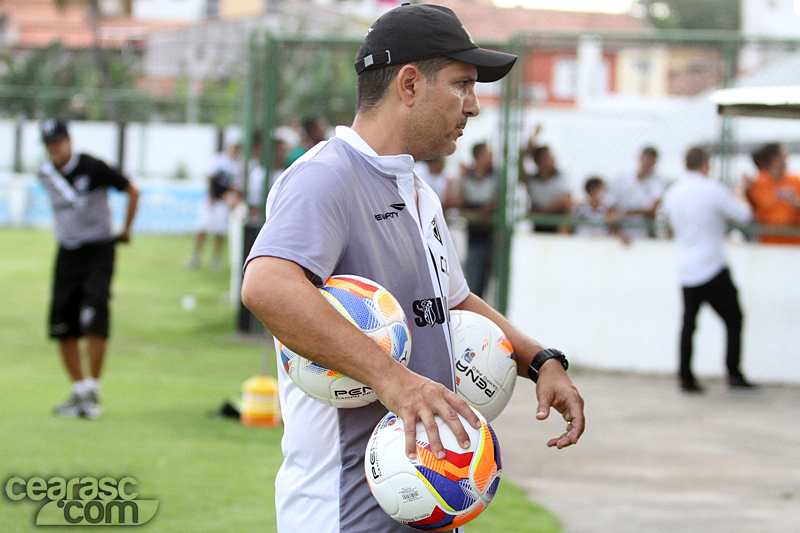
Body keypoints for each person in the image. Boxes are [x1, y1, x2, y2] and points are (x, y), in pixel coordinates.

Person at [240, 4, 585, 532]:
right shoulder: (325, 176)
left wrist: (540, 361)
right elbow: (267, 286)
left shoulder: (419, 191)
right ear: (408, 84)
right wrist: (394, 381)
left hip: (422, 502)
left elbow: (453, 302)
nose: (473, 106)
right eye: (462, 84)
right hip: (343, 512)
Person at [38, 118, 139, 418]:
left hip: (98, 250)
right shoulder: (45, 173)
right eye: (49, 144)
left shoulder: (93, 167)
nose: (55, 149)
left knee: (95, 313)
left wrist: (126, 230)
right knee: (62, 321)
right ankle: (79, 389)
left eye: (58, 142)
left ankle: (93, 388)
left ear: (69, 140)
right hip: (67, 252)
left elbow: (132, 190)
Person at [663, 146, 754, 393]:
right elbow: (744, 215)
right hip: (713, 265)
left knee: (689, 324)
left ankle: (685, 376)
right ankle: (733, 373)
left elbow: (666, 224)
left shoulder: (673, 192)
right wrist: (740, 190)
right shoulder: (713, 189)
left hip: (686, 268)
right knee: (734, 318)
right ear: (706, 164)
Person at [188, 140, 243, 269]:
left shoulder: (239, 165)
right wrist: (211, 196)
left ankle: (216, 257)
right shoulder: (219, 160)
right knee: (202, 227)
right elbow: (210, 177)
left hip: (225, 202)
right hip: (212, 200)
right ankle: (196, 255)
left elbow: (238, 186)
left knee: (220, 231)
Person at [453, 142, 496, 298]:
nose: (490, 157)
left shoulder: (495, 176)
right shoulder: (467, 177)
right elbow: (457, 202)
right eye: (487, 154)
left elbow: (496, 203)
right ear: (477, 157)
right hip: (474, 233)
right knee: (474, 277)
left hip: (492, 233)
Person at [746, 143, 800, 245]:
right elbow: (746, 213)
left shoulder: (796, 181)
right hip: (769, 244)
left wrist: (795, 202)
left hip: (794, 243)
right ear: (774, 159)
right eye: (783, 157)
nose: (786, 160)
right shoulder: (757, 184)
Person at [608, 146, 666, 239]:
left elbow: (652, 211)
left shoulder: (658, 183)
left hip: (643, 234)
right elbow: (610, 207)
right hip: (621, 234)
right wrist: (617, 232)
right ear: (640, 158)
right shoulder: (622, 179)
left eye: (652, 159)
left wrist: (623, 213)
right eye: (647, 157)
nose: (648, 161)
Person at [521, 143, 572, 233]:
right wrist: (530, 144)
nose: (553, 159)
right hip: (539, 225)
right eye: (549, 157)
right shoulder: (531, 180)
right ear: (539, 161)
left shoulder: (561, 176)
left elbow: (565, 198)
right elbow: (518, 166)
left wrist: (542, 212)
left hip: (558, 224)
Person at [572, 176, 629, 243]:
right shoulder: (579, 208)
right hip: (582, 244)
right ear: (593, 191)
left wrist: (620, 234)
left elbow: (614, 228)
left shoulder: (607, 209)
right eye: (602, 190)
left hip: (601, 244)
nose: (604, 193)